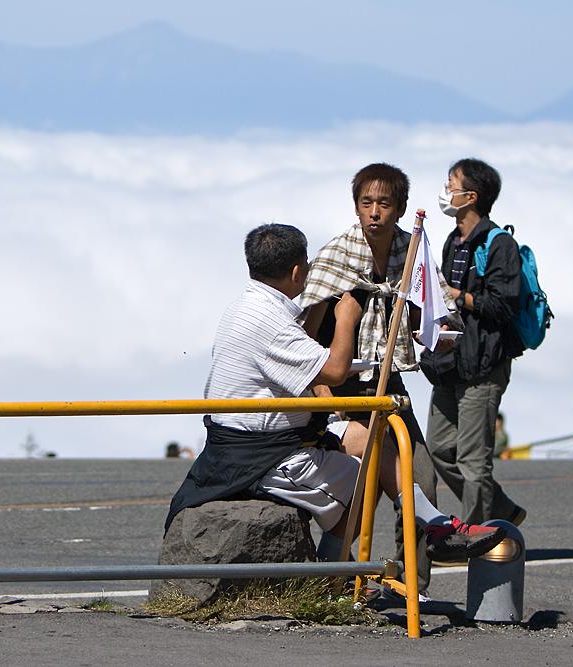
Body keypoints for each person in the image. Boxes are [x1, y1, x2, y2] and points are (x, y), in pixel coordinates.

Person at [164, 223, 507, 568]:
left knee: (370, 435)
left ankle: (433, 525)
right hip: (263, 457)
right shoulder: (271, 322)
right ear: (298, 271)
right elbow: (335, 369)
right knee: (363, 481)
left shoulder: (246, 307)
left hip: (259, 441)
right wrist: (345, 318)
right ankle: (331, 575)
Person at [299, 163, 460, 593]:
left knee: (421, 477)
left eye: (384, 204)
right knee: (362, 489)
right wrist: (324, 396)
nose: (375, 212)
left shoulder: (413, 253)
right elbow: (305, 337)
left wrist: (439, 337)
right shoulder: (336, 255)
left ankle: (412, 586)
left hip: (389, 384)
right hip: (341, 387)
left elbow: (437, 318)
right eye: (366, 203)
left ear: (401, 208)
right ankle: (329, 579)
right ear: (355, 207)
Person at [421, 158, 527, 527]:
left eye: (451, 184)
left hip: (484, 365)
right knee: (438, 447)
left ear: (471, 196)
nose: (446, 191)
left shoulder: (499, 245)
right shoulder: (454, 240)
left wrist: (457, 295)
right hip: (451, 362)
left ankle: (478, 536)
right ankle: (498, 509)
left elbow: (504, 304)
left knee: (472, 459)